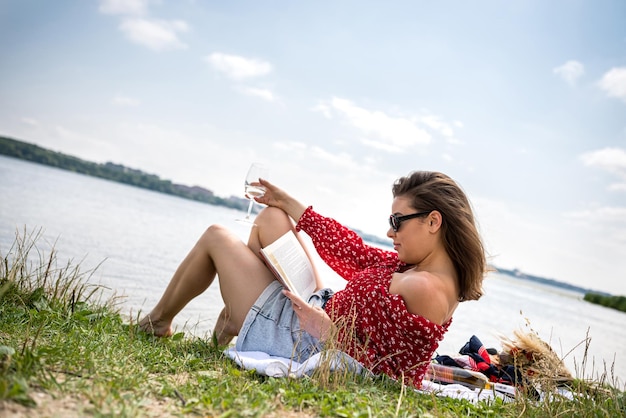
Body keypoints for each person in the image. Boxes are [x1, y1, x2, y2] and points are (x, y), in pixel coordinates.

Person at [139, 170, 487, 388]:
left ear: (433, 222)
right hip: (319, 308)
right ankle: (237, 315)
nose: (389, 231)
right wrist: (290, 204)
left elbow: (393, 373)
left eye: (397, 221)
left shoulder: (424, 286)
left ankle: (159, 322)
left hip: (300, 338)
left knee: (217, 235)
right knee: (272, 217)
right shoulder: (415, 268)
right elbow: (356, 254)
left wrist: (328, 331)